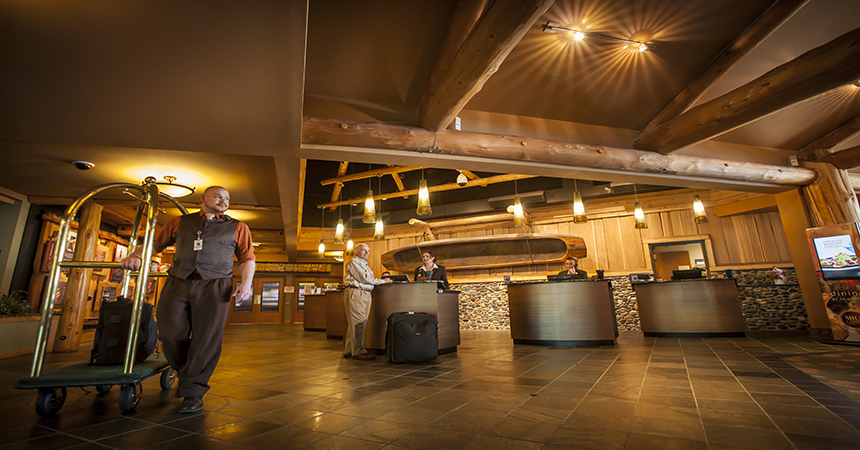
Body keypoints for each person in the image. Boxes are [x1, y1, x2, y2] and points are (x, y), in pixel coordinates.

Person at [121, 186, 255, 414]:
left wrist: (246, 283)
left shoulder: (238, 227)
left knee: (207, 338)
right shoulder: (180, 222)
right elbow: (155, 244)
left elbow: (247, 257)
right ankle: (186, 373)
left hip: (216, 284)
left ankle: (193, 391)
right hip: (178, 280)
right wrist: (136, 255)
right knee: (169, 331)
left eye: (227, 198)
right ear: (203, 198)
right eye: (218, 196)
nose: (224, 201)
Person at [343, 243, 391, 360]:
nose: (366, 253)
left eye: (368, 251)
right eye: (363, 250)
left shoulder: (364, 264)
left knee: (356, 323)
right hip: (358, 292)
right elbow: (365, 278)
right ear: (356, 252)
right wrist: (383, 281)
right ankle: (358, 351)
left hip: (365, 293)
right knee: (358, 322)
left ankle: (350, 350)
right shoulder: (354, 262)